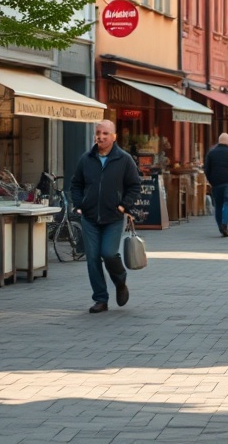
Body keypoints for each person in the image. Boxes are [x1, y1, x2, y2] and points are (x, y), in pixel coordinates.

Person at [70, 119, 141, 313]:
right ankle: (101, 299)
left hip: (113, 218)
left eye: (105, 133)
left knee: (108, 253)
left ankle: (120, 281)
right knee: (92, 258)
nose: (100, 137)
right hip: (90, 217)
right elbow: (76, 184)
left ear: (114, 137)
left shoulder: (124, 159)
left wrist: (122, 207)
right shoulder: (86, 159)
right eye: (98, 133)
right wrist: (79, 205)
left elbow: (134, 186)